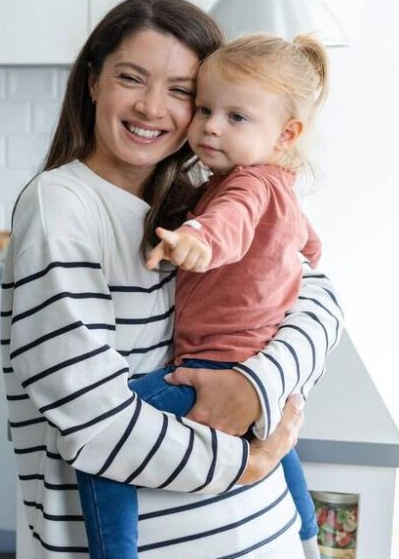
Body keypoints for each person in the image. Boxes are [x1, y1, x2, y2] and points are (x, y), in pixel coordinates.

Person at [0, 0, 344, 558]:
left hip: (260, 530)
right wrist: (251, 457)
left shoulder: (199, 203)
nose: (152, 108)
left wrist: (256, 388)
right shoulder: (62, 206)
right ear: (92, 82)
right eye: (131, 78)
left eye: (183, 92)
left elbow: (320, 298)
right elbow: (95, 424)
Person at [74, 33, 332, 559]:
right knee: (281, 447)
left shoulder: (247, 185)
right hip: (258, 359)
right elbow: (306, 241)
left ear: (286, 133)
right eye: (206, 108)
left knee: (105, 446)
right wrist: (301, 248)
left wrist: (197, 242)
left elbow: (228, 224)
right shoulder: (277, 183)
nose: (211, 126)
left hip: (218, 360)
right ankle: (309, 536)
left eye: (237, 118)